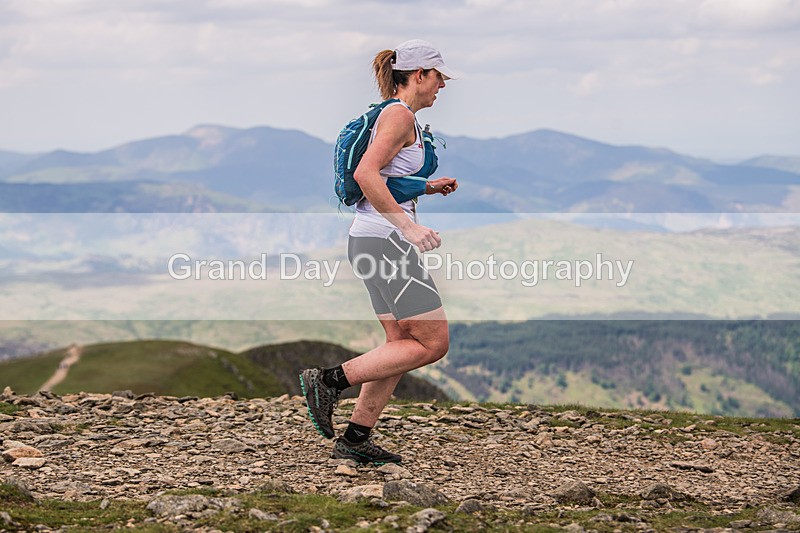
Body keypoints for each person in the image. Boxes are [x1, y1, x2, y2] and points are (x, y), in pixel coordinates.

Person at [299, 39, 459, 464]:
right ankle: (329, 381)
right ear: (420, 74)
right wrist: (408, 227)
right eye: (439, 76)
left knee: (400, 343)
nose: (443, 85)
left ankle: (355, 439)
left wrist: (425, 185)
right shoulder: (399, 115)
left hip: (369, 238)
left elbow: (384, 177)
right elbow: (365, 174)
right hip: (386, 241)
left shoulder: (396, 116)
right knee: (432, 343)